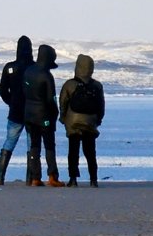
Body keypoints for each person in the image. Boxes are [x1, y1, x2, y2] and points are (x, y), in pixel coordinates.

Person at [59, 53, 105, 186]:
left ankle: (73, 179)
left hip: (73, 122)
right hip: (90, 123)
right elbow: (101, 105)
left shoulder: (69, 84)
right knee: (90, 152)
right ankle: (93, 180)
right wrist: (98, 119)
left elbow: (63, 103)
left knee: (73, 152)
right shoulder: (97, 86)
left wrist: (63, 118)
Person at [22, 44, 63, 187]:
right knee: (49, 146)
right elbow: (51, 99)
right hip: (44, 116)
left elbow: (24, 92)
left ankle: (35, 177)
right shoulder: (46, 76)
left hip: (29, 114)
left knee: (34, 145)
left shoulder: (28, 71)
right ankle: (52, 176)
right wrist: (55, 113)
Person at [0, 36, 34, 184]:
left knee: (9, 142)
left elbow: (3, 89)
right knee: (32, 146)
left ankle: (0, 177)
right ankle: (30, 179)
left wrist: (11, 102)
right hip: (32, 111)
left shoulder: (10, 67)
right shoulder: (35, 68)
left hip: (15, 111)